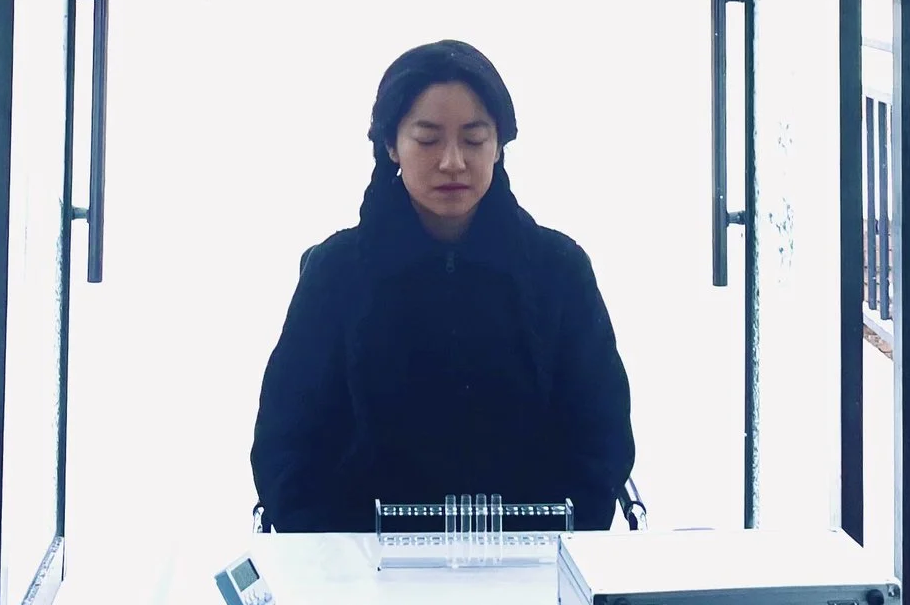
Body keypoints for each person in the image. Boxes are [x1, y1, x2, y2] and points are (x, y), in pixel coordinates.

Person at [250, 39, 635, 533]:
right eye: (428, 139)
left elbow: (600, 440)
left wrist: (546, 545)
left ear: (499, 144)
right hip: (363, 581)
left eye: (474, 140)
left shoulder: (558, 270)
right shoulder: (336, 273)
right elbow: (287, 446)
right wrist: (340, 557)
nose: (452, 161)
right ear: (391, 144)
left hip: (529, 574)